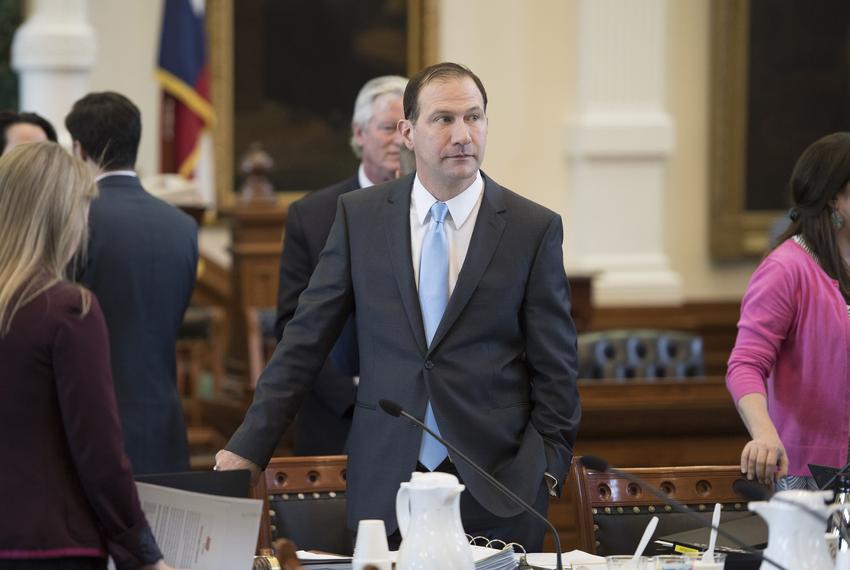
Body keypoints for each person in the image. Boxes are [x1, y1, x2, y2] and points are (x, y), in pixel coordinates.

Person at [218, 62, 581, 550]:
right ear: (409, 132)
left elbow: (556, 369)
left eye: (474, 117)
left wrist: (545, 471)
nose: (462, 135)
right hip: (385, 484)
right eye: (443, 120)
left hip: (498, 487)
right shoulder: (360, 218)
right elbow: (303, 341)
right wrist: (248, 448)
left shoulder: (531, 228)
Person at [0, 142, 172, 570]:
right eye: (82, 208)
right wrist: (143, 553)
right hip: (51, 545)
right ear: (60, 216)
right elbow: (99, 453)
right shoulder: (67, 310)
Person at [66, 92, 199, 475]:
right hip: (165, 420)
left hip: (91, 420)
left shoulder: (76, 220)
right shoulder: (182, 226)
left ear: (79, 149)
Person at [275, 75, 407, 455]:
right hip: (338, 421)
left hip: (423, 423)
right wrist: (349, 398)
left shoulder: (438, 212)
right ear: (359, 133)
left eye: (406, 129)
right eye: (387, 128)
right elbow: (292, 325)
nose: (398, 140)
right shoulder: (313, 215)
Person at [727, 132, 850, 489]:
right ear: (834, 199)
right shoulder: (786, 268)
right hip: (811, 474)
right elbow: (746, 364)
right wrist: (764, 433)